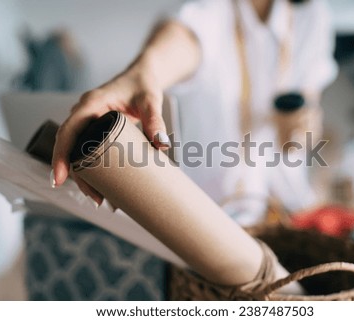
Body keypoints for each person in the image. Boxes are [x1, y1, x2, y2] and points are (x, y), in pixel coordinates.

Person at [52, 0, 337, 226]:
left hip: (286, 209)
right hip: (210, 216)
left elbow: (308, 109)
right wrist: (145, 72)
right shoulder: (210, 11)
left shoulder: (313, 16)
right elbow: (185, 35)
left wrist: (300, 133)